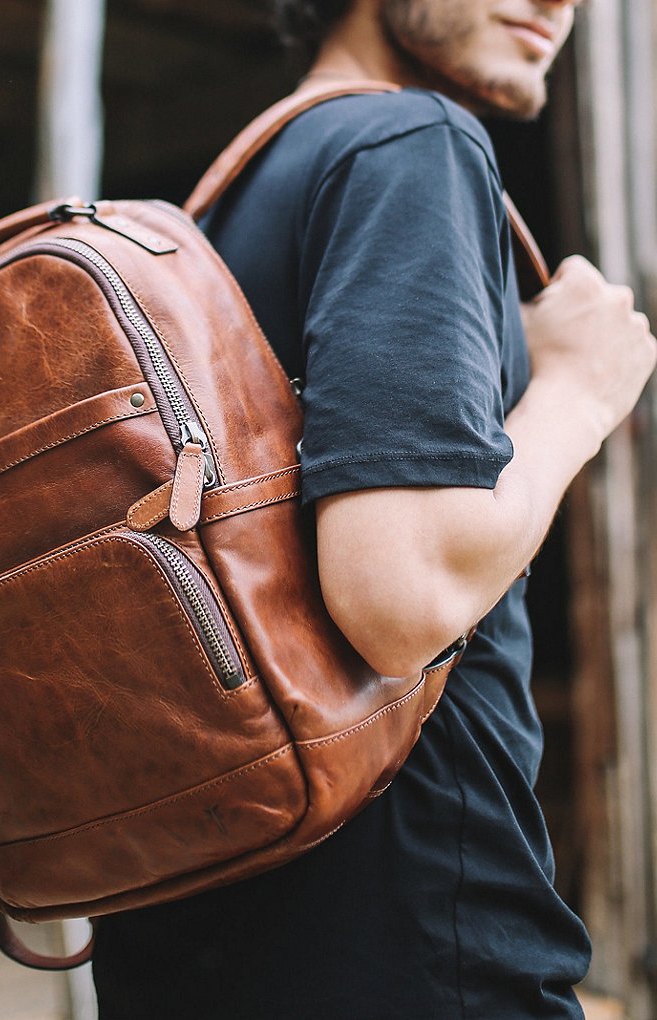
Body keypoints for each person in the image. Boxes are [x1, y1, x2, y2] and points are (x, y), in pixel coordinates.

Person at [92, 2, 656, 1017]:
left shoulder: (216, 211)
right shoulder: (411, 143)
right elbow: (398, 596)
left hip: (185, 932)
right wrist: (578, 390)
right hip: (409, 938)